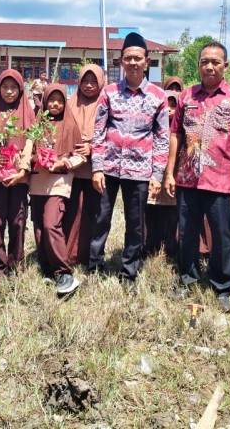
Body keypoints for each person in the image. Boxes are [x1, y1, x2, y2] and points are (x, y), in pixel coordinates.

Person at [164, 42, 230, 312]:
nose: (209, 66)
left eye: (215, 62)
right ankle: (188, 278)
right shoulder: (186, 97)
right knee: (188, 233)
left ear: (225, 66)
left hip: (222, 180)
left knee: (222, 235)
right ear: (198, 65)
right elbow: (175, 135)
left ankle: (222, 285)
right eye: (204, 61)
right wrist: (169, 172)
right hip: (188, 178)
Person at [89, 32, 169, 288]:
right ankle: (94, 265)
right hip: (109, 168)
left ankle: (129, 272)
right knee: (101, 218)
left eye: (138, 58)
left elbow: (162, 138)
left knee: (135, 224)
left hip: (140, 171)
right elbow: (98, 131)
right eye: (128, 58)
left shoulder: (158, 96)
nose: (133, 62)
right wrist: (97, 168)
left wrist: (157, 175)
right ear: (121, 62)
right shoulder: (109, 93)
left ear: (147, 61)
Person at [29, 84, 86, 295]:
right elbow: (28, 149)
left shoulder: (70, 125)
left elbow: (80, 155)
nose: (55, 104)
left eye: (60, 100)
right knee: (39, 226)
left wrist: (64, 163)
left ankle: (65, 273)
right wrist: (37, 159)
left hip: (59, 181)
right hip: (37, 181)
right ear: (44, 102)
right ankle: (47, 269)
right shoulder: (38, 124)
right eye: (51, 100)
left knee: (51, 223)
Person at [0, 69, 34, 276]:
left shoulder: (27, 111)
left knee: (17, 220)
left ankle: (15, 262)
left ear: (21, 90)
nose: (9, 92)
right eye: (5, 87)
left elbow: (32, 140)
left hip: (20, 177)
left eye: (14, 88)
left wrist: (23, 169)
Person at [62, 64, 106, 267]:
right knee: (71, 212)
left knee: (92, 212)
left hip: (96, 170)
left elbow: (113, 132)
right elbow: (60, 129)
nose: (88, 86)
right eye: (85, 81)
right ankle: (68, 254)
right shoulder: (70, 104)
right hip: (71, 169)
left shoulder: (106, 103)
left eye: (93, 81)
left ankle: (89, 256)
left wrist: (92, 148)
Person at [144, 91, 179, 260]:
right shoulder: (152, 124)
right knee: (151, 211)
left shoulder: (182, 128)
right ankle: (150, 247)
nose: (170, 111)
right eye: (167, 106)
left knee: (172, 214)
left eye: (174, 106)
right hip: (153, 174)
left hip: (173, 176)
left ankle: (171, 249)